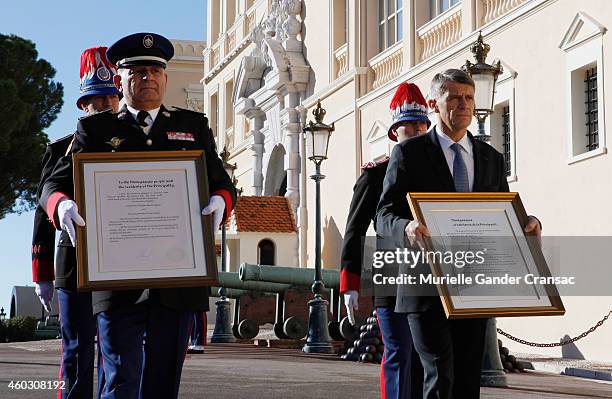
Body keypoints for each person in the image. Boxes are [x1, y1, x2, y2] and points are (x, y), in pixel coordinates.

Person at [39, 32, 236, 399]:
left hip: (178, 280)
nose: (147, 78)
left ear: (165, 78)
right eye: (137, 72)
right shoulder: (96, 130)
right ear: (121, 79)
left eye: (155, 71)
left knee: (163, 383)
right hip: (116, 281)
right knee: (119, 377)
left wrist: (221, 201)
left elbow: (221, 182)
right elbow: (52, 186)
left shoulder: (193, 128)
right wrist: (62, 205)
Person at [375, 69, 541, 399]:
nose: (463, 105)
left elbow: (504, 216)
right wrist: (406, 227)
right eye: (454, 98)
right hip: (425, 287)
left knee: (467, 380)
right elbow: (384, 215)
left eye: (469, 97)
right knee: (439, 374)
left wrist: (528, 224)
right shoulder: (409, 154)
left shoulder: (491, 159)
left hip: (474, 290)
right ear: (435, 103)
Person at [32, 46, 120, 399]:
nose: (103, 108)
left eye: (109, 99)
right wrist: (42, 273)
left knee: (118, 351)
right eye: (95, 102)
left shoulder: (133, 145)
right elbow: (43, 210)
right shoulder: (61, 150)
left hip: (120, 260)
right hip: (75, 261)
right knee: (77, 350)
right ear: (83, 106)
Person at [340, 82, 429, 399]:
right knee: (399, 354)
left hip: (430, 278)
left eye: (421, 124)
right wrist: (349, 284)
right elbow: (354, 229)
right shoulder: (375, 176)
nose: (417, 129)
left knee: (424, 360)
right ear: (395, 132)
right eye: (409, 125)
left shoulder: (437, 170)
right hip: (391, 279)